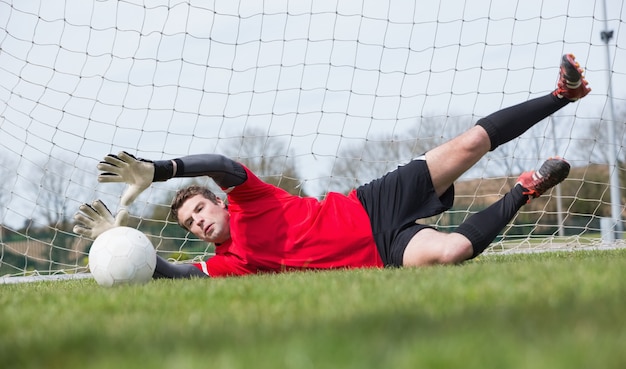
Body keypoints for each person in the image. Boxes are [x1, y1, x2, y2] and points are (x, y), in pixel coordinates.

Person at [74, 54, 591, 279]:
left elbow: (222, 163)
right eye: (190, 225)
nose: (199, 222)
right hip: (384, 252)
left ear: (217, 200)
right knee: (452, 251)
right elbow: (174, 272)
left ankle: (559, 94)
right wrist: (120, 248)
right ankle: (526, 189)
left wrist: (162, 170)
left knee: (470, 143)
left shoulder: (250, 198)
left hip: (373, 202)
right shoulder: (232, 264)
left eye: (200, 210)